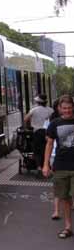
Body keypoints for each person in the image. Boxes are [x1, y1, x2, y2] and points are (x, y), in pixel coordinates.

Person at [43, 94, 74, 238]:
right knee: (65, 198)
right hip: (61, 166)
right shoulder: (54, 123)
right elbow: (49, 144)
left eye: (69, 108)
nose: (67, 110)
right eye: (64, 108)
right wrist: (45, 165)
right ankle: (68, 227)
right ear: (60, 109)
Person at [25, 94, 54, 171]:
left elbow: (26, 119)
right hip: (48, 132)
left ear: (38, 102)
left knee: (37, 150)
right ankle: (47, 165)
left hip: (37, 132)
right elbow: (53, 121)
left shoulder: (34, 109)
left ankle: (39, 167)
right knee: (46, 149)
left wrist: (29, 126)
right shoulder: (50, 110)